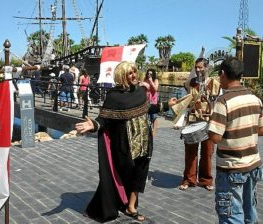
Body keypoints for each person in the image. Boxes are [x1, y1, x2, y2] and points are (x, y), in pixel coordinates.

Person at [75, 61, 170, 223]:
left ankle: (131, 207)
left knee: (140, 175)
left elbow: (149, 108)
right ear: (122, 76)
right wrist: (93, 125)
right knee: (120, 176)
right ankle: (112, 203)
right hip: (124, 145)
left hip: (144, 142)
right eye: (130, 73)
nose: (134, 75)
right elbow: (104, 119)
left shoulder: (140, 91)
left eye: (134, 72)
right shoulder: (113, 96)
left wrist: (167, 105)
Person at [208, 57, 263, 224]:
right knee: (249, 212)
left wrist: (209, 125)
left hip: (231, 169)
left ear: (223, 73)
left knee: (231, 216)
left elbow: (215, 137)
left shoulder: (223, 101)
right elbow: (260, 129)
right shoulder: (255, 98)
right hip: (253, 165)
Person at [175, 57, 220, 191]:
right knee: (190, 152)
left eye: (201, 67)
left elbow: (219, 103)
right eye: (196, 67)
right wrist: (180, 120)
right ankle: (189, 179)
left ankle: (206, 180)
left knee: (207, 152)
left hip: (208, 121)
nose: (198, 70)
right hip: (193, 120)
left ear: (207, 68)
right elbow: (183, 103)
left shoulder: (215, 83)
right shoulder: (190, 83)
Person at [140, 68, 159, 136]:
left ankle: (154, 131)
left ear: (153, 74)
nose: (149, 75)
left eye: (150, 74)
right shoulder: (145, 80)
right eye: (148, 73)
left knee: (153, 116)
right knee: (146, 115)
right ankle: (147, 130)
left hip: (153, 100)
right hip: (146, 100)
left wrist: (151, 82)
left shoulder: (155, 80)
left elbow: (155, 89)